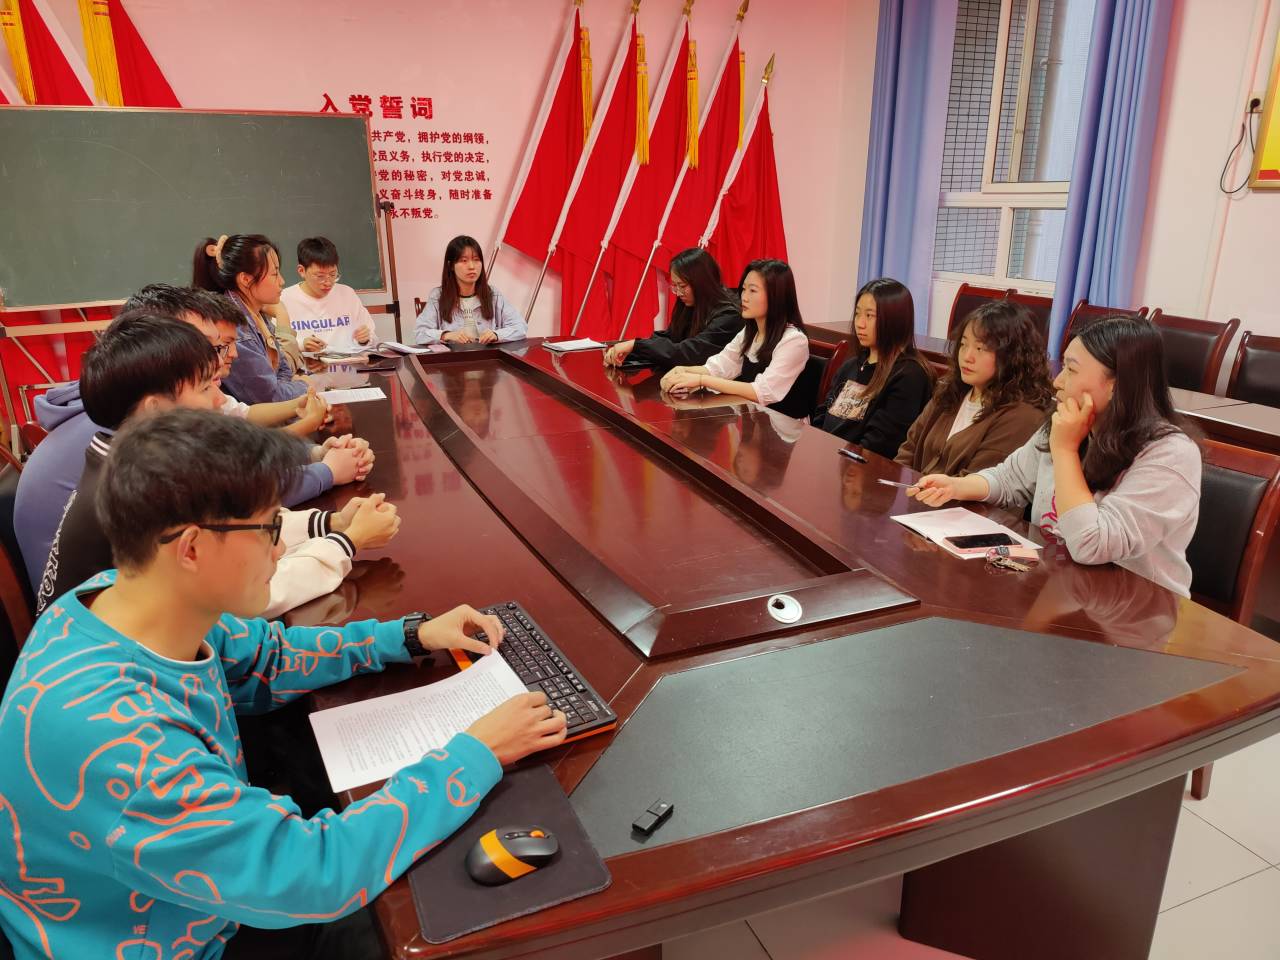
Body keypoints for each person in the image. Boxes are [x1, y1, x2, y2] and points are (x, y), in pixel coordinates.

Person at [0, 408, 567, 960]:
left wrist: (411, 636)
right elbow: (312, 874)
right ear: (191, 548)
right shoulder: (117, 745)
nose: (279, 549)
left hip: (195, 899)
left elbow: (266, 658)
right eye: (269, 528)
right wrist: (476, 754)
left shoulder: (120, 597)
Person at [36, 313, 400, 618]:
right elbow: (254, 596)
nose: (218, 403)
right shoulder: (149, 487)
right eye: (206, 388)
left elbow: (238, 528)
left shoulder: (124, 458)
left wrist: (331, 522)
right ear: (155, 409)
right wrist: (347, 542)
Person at [909, 316, 1202, 597]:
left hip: (1134, 612)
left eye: (1071, 370)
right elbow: (1010, 478)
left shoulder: (1170, 455)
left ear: (1116, 384)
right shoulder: (1067, 424)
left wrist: (1065, 451)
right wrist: (957, 486)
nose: (1057, 382)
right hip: (1058, 589)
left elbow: (1092, 545)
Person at [896, 300, 1054, 475]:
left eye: (980, 348)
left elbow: (976, 482)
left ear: (1012, 356)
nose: (967, 357)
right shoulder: (952, 390)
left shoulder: (1022, 417)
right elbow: (908, 449)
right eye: (963, 345)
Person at [659, 259, 813, 420]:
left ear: (776, 296)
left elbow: (763, 392)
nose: (744, 297)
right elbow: (721, 365)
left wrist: (701, 380)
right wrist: (683, 371)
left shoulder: (794, 340)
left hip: (787, 428)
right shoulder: (750, 332)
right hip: (756, 422)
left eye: (752, 291)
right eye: (744, 289)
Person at [813, 278, 933, 457]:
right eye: (857, 314)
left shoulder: (909, 375)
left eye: (869, 316)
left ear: (894, 320)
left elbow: (879, 445)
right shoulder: (851, 365)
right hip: (827, 458)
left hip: (861, 467)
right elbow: (822, 416)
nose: (859, 323)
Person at [193, 233, 310, 403]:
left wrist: (285, 386)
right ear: (246, 279)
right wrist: (304, 385)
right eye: (275, 274)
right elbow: (269, 397)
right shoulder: (235, 326)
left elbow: (283, 370)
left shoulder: (255, 312)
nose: (282, 281)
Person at [603, 247, 742, 368]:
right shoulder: (692, 302)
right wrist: (629, 351)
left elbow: (689, 353)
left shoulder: (729, 315)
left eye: (682, 286)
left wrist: (636, 346)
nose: (678, 292)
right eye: (674, 286)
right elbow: (672, 336)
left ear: (702, 283)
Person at [413, 235, 527, 345]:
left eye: (476, 260)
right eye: (464, 260)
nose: (472, 266)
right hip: (454, 357)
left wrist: (497, 335)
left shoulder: (492, 294)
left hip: (487, 355)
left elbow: (520, 326)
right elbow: (420, 333)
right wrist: (446, 335)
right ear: (451, 265)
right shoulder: (438, 296)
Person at [278, 236, 377, 354]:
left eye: (333, 274)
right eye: (320, 276)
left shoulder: (347, 294)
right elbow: (275, 345)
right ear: (301, 271)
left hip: (346, 364)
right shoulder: (284, 299)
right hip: (305, 365)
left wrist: (364, 339)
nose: (328, 282)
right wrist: (301, 345)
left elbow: (372, 337)